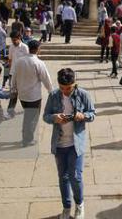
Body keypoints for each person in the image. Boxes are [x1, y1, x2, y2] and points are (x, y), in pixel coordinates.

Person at [43, 68, 95, 219]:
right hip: (59, 143)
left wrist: (83, 115)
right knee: (63, 177)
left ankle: (80, 204)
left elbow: (92, 113)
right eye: (62, 88)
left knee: (75, 175)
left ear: (75, 84)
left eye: (68, 88)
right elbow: (45, 116)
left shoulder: (83, 94)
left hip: (75, 143)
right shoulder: (53, 95)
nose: (65, 91)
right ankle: (66, 207)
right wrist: (55, 117)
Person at [11, 40, 53, 147]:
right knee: (32, 118)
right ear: (38, 49)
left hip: (22, 95)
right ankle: (27, 139)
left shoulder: (20, 61)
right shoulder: (38, 63)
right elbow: (46, 79)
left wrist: (14, 88)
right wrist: (51, 91)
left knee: (28, 116)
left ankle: (26, 136)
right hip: (34, 96)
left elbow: (14, 76)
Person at [7, 31, 29, 117]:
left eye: (15, 40)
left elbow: (28, 61)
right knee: (13, 94)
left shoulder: (25, 47)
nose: (14, 42)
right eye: (12, 40)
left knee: (23, 94)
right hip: (13, 74)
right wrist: (9, 72)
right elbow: (10, 60)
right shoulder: (11, 47)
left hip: (23, 74)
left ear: (19, 38)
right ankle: (10, 112)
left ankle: (27, 110)